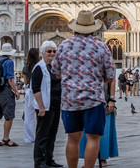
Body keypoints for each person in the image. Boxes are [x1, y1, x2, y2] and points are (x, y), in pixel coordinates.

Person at [51, 10, 115, 168]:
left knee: (73, 138)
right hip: (93, 100)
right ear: (93, 29)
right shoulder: (100, 47)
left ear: (75, 28)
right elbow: (110, 75)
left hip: (69, 100)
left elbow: (56, 72)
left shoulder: (64, 45)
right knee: (93, 138)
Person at [32, 41, 63, 168]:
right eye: (49, 51)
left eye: (54, 51)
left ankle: (49, 159)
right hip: (44, 107)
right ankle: (39, 161)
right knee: (42, 134)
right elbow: (36, 88)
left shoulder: (54, 67)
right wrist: (41, 106)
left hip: (55, 105)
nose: (52, 54)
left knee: (52, 134)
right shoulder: (39, 67)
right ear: (43, 53)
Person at [80, 68, 118, 167]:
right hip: (87, 100)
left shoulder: (106, 57)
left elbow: (112, 80)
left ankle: (103, 157)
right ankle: (88, 159)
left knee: (104, 131)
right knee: (86, 132)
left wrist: (111, 99)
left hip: (103, 99)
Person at [0, 42, 21, 147]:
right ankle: (6, 139)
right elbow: (10, 78)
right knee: (9, 116)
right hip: (5, 91)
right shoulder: (9, 62)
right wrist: (16, 91)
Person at [24, 48, 42, 143]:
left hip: (29, 91)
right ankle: (40, 136)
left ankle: (29, 138)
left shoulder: (26, 67)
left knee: (28, 116)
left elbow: (25, 82)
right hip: (39, 91)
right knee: (41, 115)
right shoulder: (40, 65)